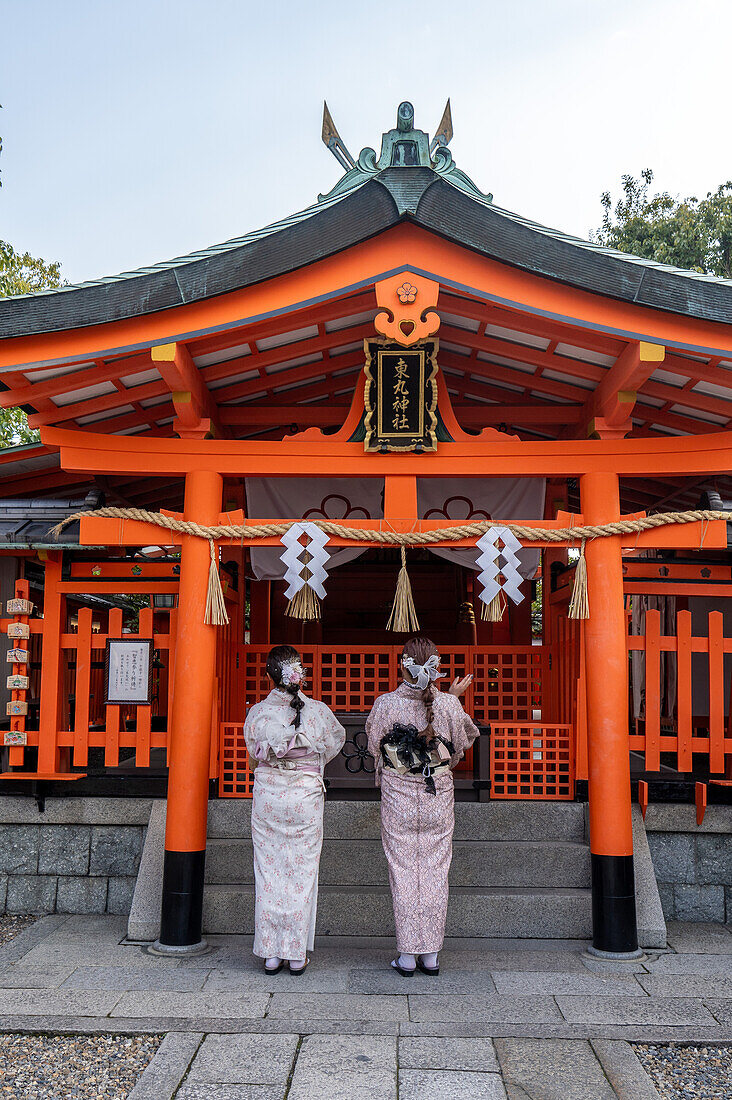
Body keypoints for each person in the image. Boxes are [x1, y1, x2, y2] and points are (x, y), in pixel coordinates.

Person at [365, 636, 478, 976]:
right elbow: (462, 742)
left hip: (399, 795)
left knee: (403, 872)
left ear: (402, 666)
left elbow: (374, 747)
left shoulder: (386, 705)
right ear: (437, 668)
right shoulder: (446, 706)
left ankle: (406, 955)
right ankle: (430, 955)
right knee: (434, 872)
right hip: (436, 795)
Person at [243, 644, 345, 974]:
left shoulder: (259, 713)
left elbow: (253, 754)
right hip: (305, 796)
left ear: (270, 676)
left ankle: (271, 953)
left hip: (270, 795)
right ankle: (296, 952)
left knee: (269, 871)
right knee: (301, 871)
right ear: (299, 676)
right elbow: (331, 746)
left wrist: (276, 760)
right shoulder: (318, 712)